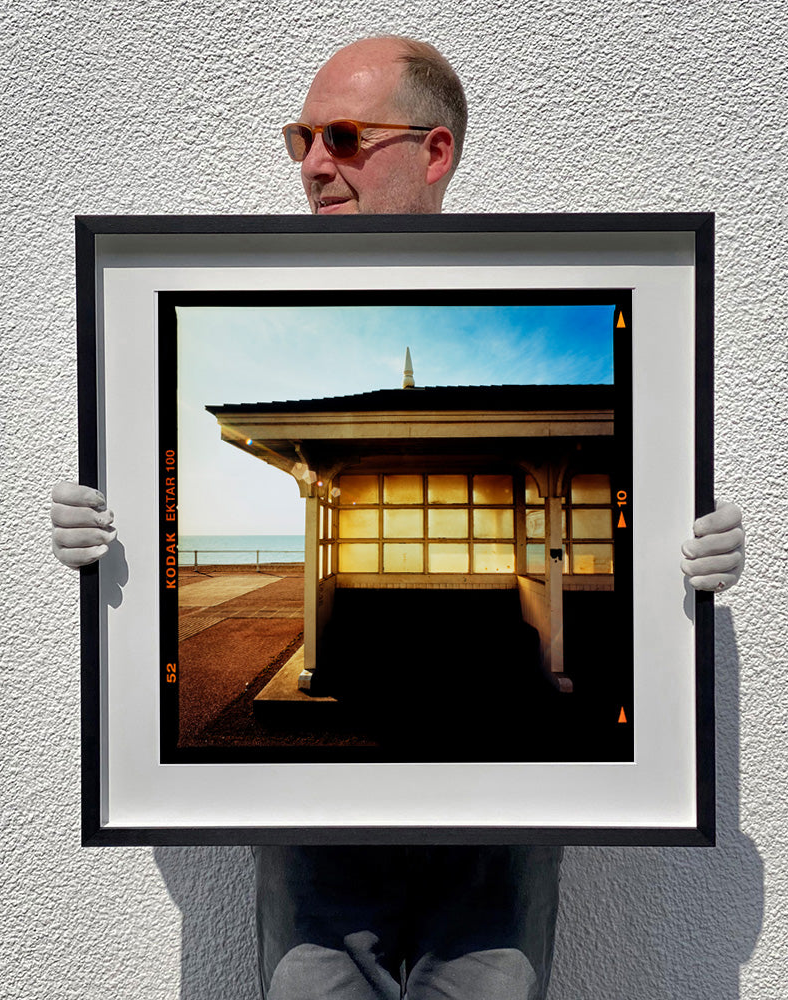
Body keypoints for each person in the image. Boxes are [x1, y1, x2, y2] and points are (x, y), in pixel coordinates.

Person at [51, 37, 745, 999]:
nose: (312, 164)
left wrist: (683, 548)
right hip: (313, 836)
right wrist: (111, 545)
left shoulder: (580, 282)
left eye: (341, 136)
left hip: (505, 827)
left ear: (436, 150)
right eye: (299, 137)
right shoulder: (214, 291)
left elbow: (644, 475)